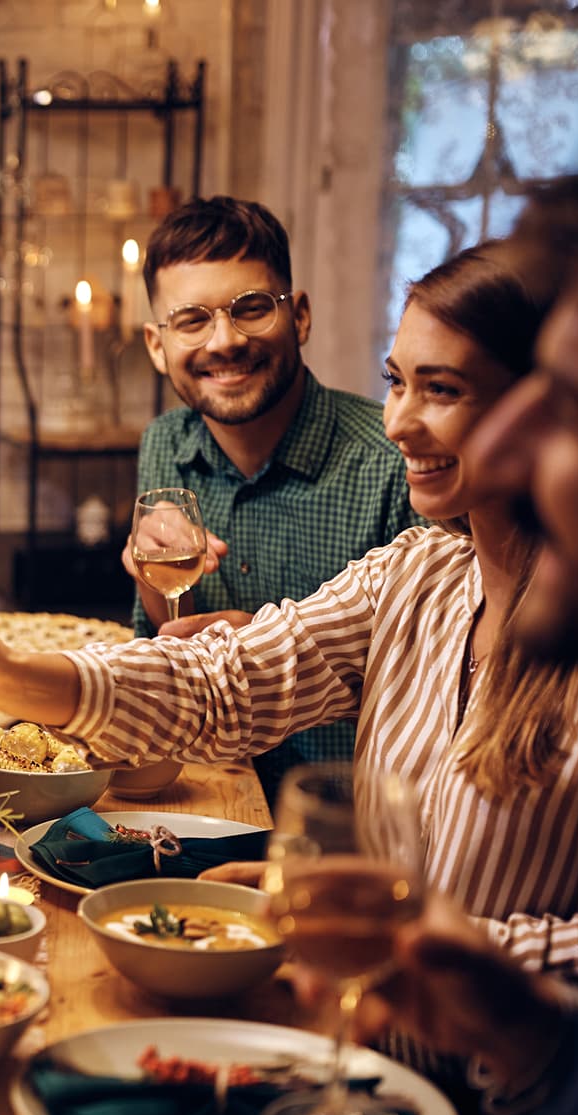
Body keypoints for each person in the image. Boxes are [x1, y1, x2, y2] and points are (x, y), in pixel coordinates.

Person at [0, 242, 578, 1072]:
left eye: (441, 390)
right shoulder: (417, 571)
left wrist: (378, 927)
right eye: (397, 381)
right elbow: (220, 681)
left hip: (515, 1104)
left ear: (543, 411)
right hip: (345, 1051)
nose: (400, 422)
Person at [353, 143, 578, 1115]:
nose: (496, 451)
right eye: (395, 381)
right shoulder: (424, 571)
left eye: (577, 407)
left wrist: (411, 933)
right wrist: (526, 1029)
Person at [129, 196, 421, 784]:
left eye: (251, 308)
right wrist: (148, 575)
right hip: (207, 794)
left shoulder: (394, 461)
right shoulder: (164, 443)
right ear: (158, 346)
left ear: (301, 316)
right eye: (192, 320)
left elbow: (439, 691)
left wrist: (266, 658)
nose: (225, 341)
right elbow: (160, 646)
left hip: (346, 827)